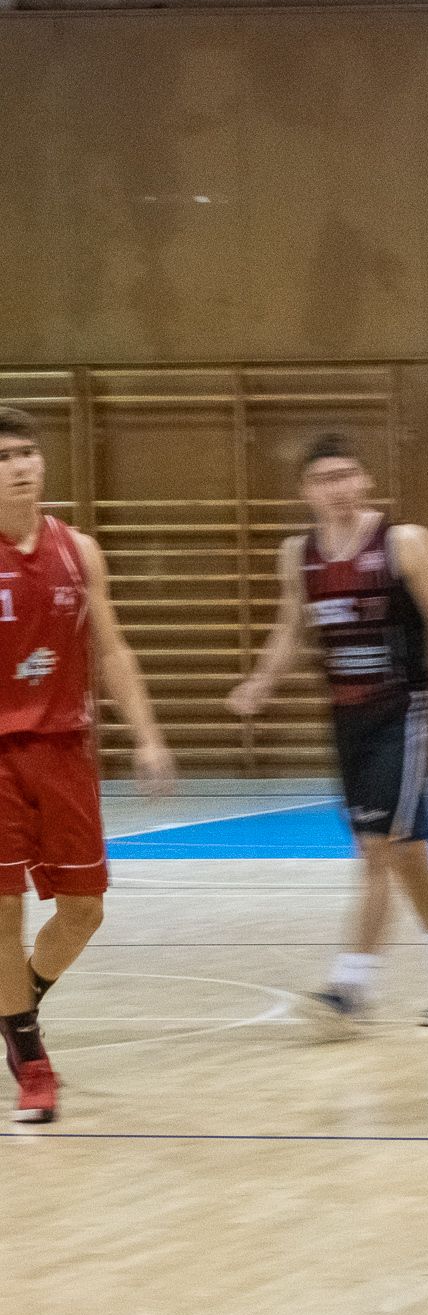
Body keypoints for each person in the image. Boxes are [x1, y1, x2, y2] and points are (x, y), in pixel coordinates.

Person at [227, 434, 428, 1033]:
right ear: (307, 492)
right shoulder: (299, 554)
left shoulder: (405, 544)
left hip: (405, 711)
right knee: (407, 857)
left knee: (378, 850)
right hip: (348, 719)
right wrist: (261, 682)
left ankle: (350, 987)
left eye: (350, 474)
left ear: (366, 480)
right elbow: (289, 628)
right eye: (327, 479)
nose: (341, 488)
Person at [0, 405, 175, 1122]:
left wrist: (148, 735)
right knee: (2, 912)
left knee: (83, 911)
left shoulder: (81, 550)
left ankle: (20, 998)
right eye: (6, 455)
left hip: (65, 750)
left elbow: (112, 650)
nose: (22, 465)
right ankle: (31, 1057)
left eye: (28, 453)